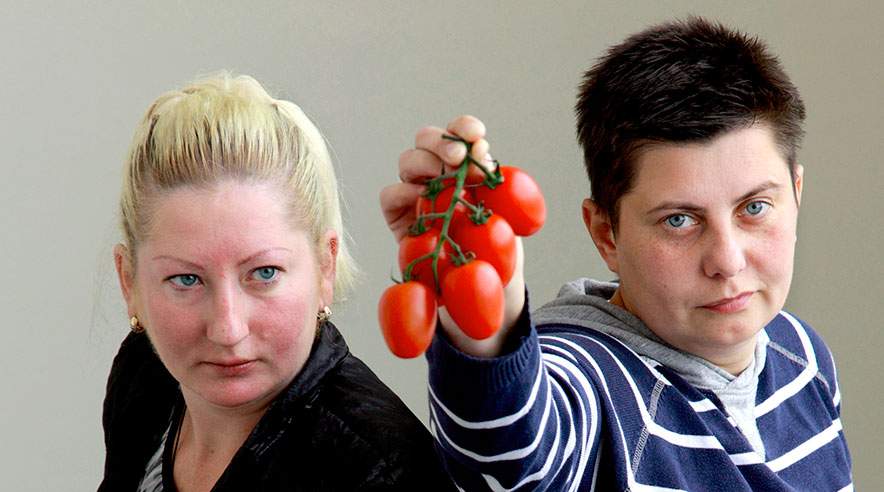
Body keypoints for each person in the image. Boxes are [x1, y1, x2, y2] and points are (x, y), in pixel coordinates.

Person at [382, 17, 852, 490]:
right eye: (679, 220)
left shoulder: (802, 356)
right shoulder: (594, 379)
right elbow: (516, 461)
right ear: (606, 233)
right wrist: (486, 317)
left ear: (796, 193)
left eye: (755, 207)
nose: (727, 261)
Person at [100, 73, 454, 491]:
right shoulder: (146, 377)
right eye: (186, 279)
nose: (228, 330)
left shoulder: (375, 469)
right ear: (130, 283)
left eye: (264, 273)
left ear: (325, 266)